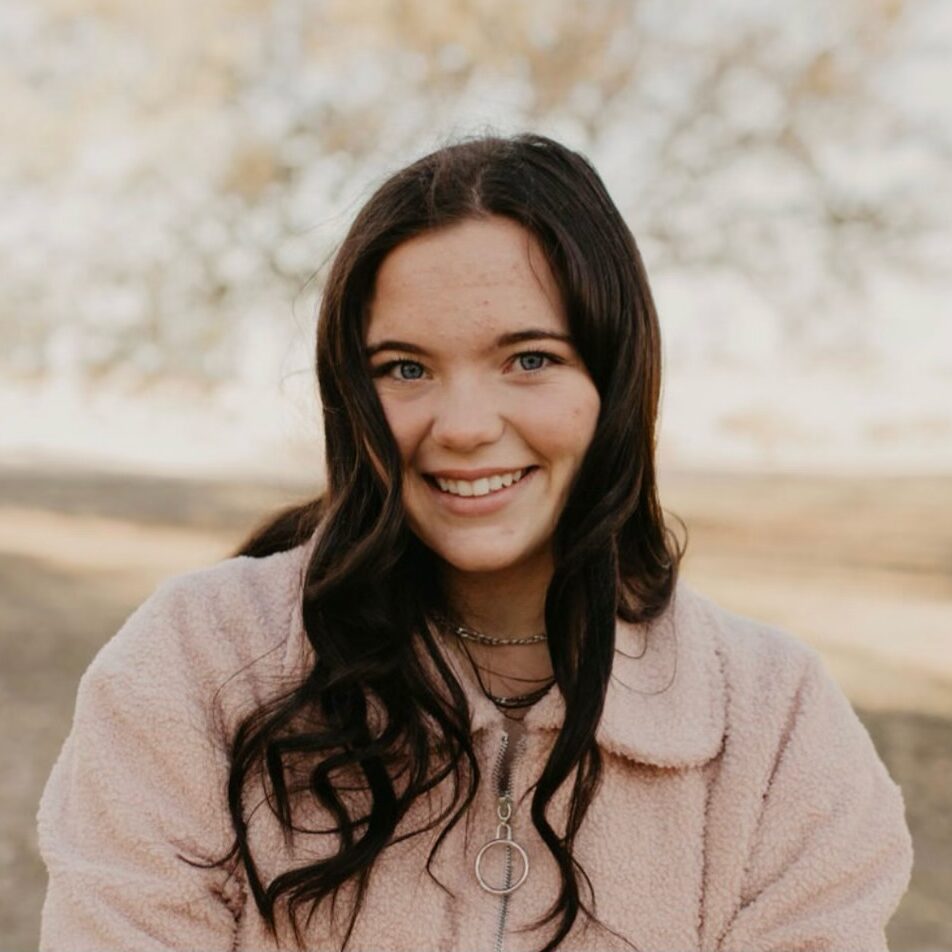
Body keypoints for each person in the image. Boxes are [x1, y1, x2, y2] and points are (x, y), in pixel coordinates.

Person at [36, 134, 912, 952]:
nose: (461, 427)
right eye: (405, 368)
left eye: (529, 358)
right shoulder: (196, 662)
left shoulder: (775, 723)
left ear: (616, 377)